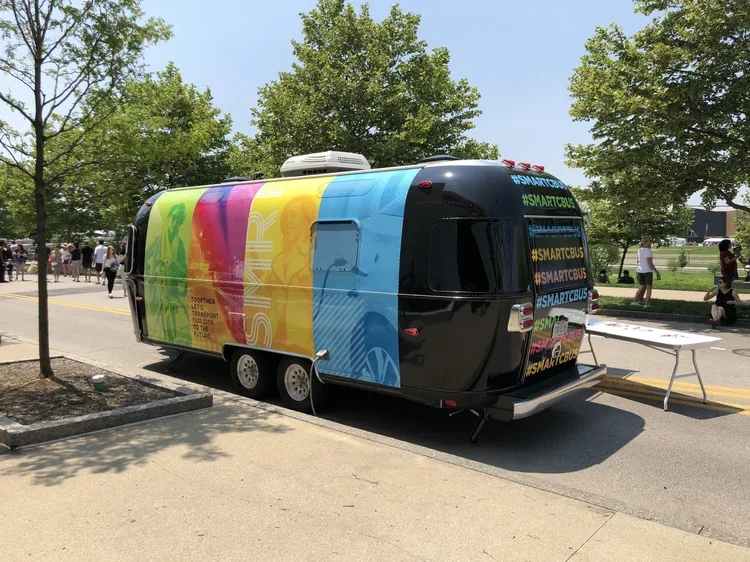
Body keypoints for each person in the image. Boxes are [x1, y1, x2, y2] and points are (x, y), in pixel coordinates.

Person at [633, 237, 661, 307]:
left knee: (642, 286)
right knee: (649, 288)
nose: (650, 243)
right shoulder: (648, 251)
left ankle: (635, 301)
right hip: (647, 271)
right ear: (645, 242)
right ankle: (647, 303)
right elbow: (649, 262)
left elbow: (638, 261)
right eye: (649, 242)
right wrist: (656, 271)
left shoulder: (639, 250)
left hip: (639, 270)